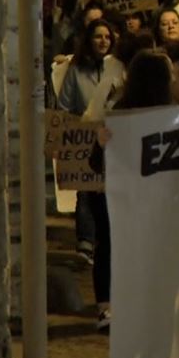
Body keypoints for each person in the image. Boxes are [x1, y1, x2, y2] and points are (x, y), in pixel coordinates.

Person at [90, 50, 179, 358]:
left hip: (135, 220)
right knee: (159, 295)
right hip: (159, 219)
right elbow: (97, 161)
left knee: (146, 292)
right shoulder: (161, 116)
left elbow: (96, 164)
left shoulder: (164, 115)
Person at [56, 18, 116, 267]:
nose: (103, 41)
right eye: (98, 36)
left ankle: (106, 238)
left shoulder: (116, 68)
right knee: (87, 191)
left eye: (107, 37)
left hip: (112, 137)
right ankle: (86, 242)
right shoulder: (76, 70)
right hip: (85, 137)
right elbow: (64, 105)